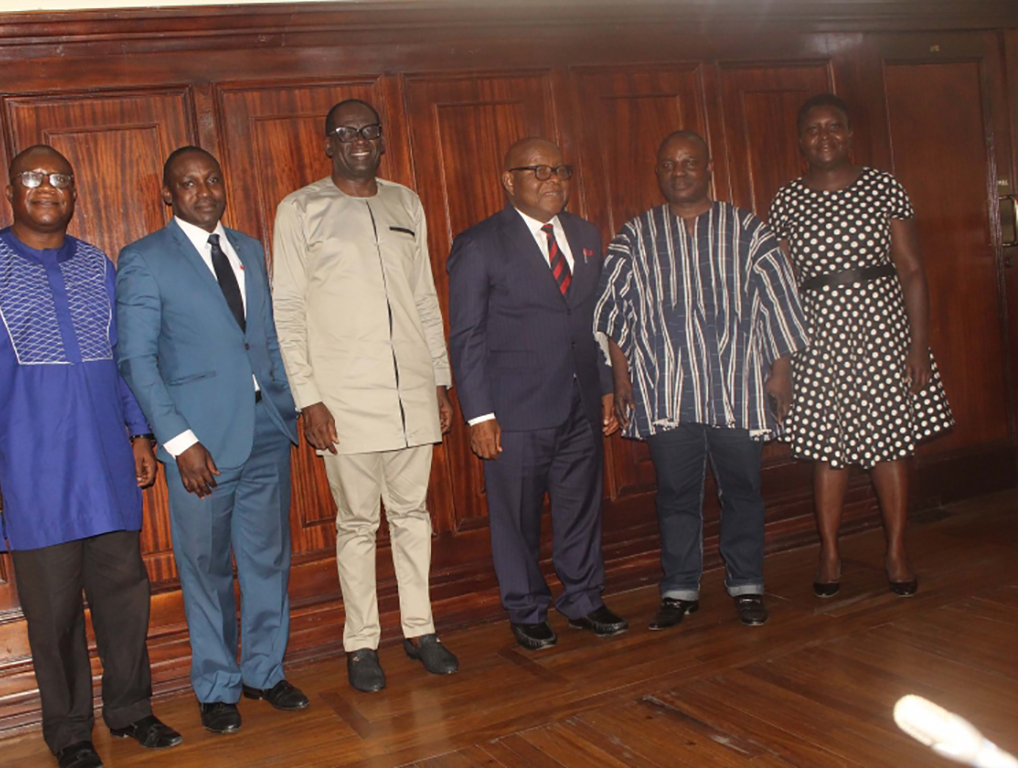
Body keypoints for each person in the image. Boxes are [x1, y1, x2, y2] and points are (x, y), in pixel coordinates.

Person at [0, 145, 181, 768]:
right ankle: (70, 733)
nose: (47, 187)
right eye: (33, 177)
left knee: (124, 596)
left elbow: (122, 357)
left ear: (74, 193)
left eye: (60, 179)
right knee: (53, 613)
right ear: (11, 191)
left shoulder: (97, 265)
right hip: (30, 470)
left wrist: (138, 433)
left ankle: (131, 710)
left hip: (105, 463)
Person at [115, 146, 308, 734]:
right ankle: (218, 686)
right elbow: (136, 359)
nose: (204, 192)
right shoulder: (144, 259)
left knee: (268, 560)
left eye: (213, 180)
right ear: (167, 195)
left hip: (267, 429)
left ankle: (264, 672)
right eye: (189, 183)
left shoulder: (248, 247)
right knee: (207, 569)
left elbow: (264, 338)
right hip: (199, 447)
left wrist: (287, 403)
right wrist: (178, 440)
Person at [272, 100, 458, 692]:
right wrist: (309, 399)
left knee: (412, 516)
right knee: (356, 524)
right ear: (329, 144)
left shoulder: (406, 202)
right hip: (343, 401)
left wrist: (440, 381)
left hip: (412, 392)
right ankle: (361, 644)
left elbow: (424, 297)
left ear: (382, 140)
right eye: (346, 132)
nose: (359, 139)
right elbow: (287, 310)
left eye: (369, 130)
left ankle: (420, 631)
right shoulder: (300, 209)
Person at [595, 131, 810, 631]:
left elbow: (779, 303)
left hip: (738, 387)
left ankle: (747, 584)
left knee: (743, 490)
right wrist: (622, 377)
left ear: (709, 168)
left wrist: (781, 374)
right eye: (669, 164)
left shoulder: (748, 230)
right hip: (665, 389)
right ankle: (679, 589)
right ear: (658, 173)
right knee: (675, 494)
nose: (680, 172)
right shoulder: (635, 236)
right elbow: (613, 312)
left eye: (690, 162)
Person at [769, 93, 953, 598]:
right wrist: (782, 362)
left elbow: (911, 269)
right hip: (816, 336)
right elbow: (780, 286)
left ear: (850, 134)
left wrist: (918, 346)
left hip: (882, 331)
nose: (824, 136)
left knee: (890, 445)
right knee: (829, 449)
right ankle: (829, 552)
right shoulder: (787, 200)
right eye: (813, 129)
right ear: (800, 141)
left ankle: (896, 550)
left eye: (834, 126)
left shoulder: (884, 186)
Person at [447, 137, 626, 652]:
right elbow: (467, 336)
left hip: (580, 402)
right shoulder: (480, 243)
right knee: (517, 518)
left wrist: (605, 386)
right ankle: (526, 609)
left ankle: (584, 598)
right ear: (509, 180)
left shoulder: (586, 235)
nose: (553, 180)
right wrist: (479, 414)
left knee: (581, 508)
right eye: (538, 170)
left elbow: (590, 322)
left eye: (560, 170)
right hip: (514, 410)